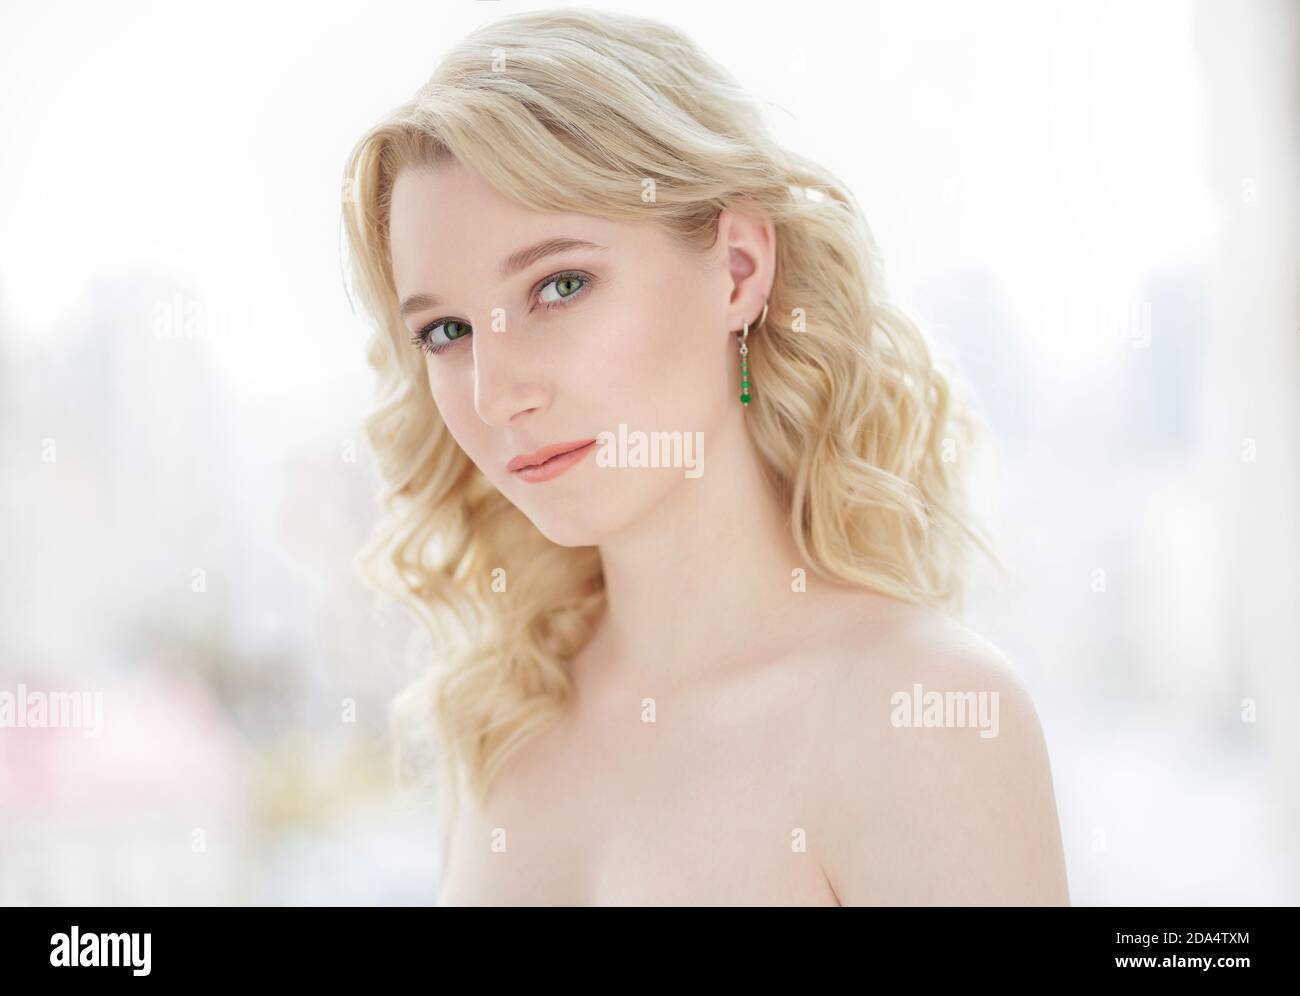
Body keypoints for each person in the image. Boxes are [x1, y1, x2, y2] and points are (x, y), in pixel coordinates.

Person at [340, 7, 1068, 906]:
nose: (496, 392)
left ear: (737, 269)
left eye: (558, 285)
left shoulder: (925, 715)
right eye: (445, 331)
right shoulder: (504, 720)